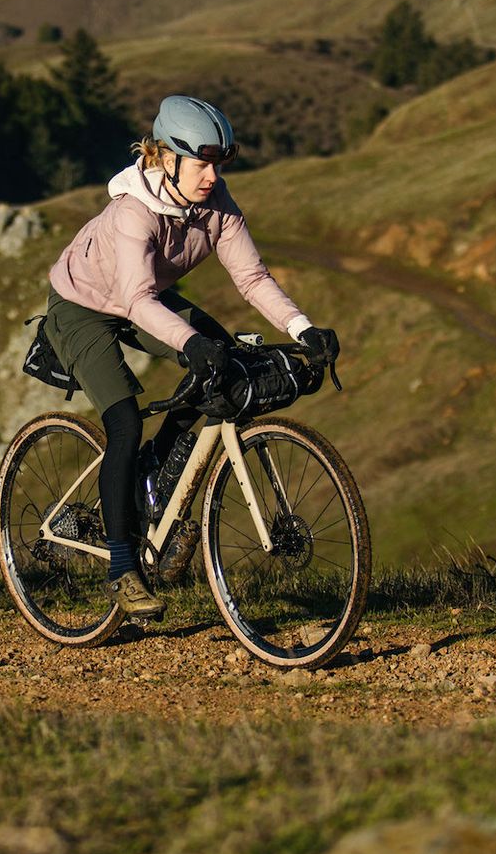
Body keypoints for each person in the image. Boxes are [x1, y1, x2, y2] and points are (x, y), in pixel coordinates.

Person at [43, 95, 340, 619]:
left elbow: (251, 278)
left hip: (146, 297)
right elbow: (134, 301)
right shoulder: (134, 213)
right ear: (165, 157)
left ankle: (155, 478)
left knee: (224, 370)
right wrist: (190, 342)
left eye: (218, 164)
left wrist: (303, 328)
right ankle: (122, 568)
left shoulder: (216, 203)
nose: (211, 176)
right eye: (201, 163)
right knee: (125, 424)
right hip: (84, 305)